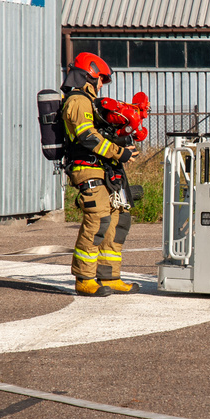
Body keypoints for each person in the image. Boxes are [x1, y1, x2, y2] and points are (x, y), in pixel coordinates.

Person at [61, 53, 141, 297]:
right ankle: (84, 279)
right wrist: (120, 152)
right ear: (89, 75)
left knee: (119, 221)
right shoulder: (77, 100)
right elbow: (87, 137)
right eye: (101, 79)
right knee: (97, 221)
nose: (102, 85)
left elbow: (100, 135)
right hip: (88, 168)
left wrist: (123, 140)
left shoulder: (91, 103)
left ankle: (110, 276)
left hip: (105, 168)